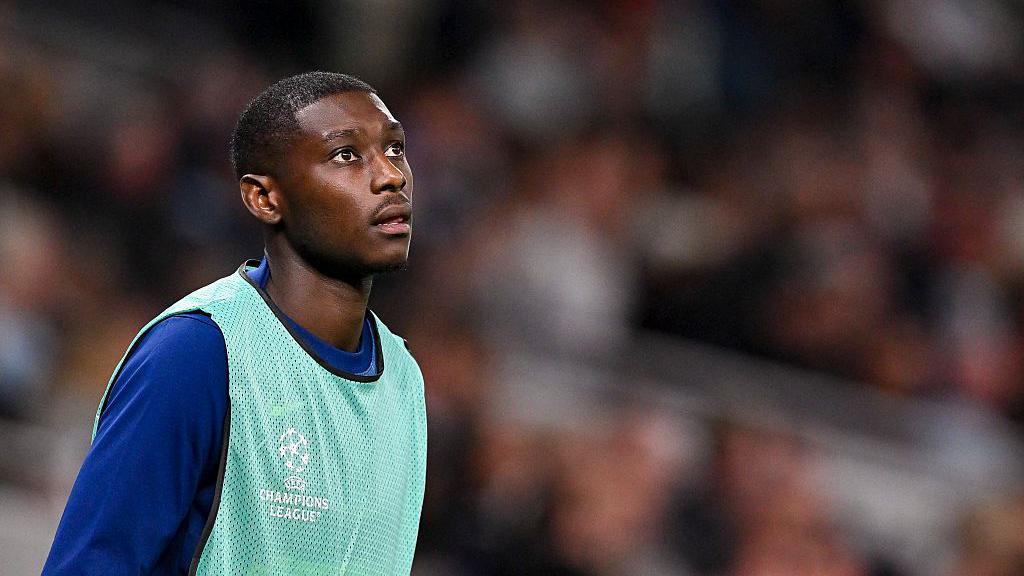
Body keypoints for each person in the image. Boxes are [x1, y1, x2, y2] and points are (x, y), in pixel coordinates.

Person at [43, 72, 426, 575]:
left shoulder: (405, 379)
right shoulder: (195, 353)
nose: (391, 176)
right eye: (345, 155)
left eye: (395, 149)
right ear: (264, 198)